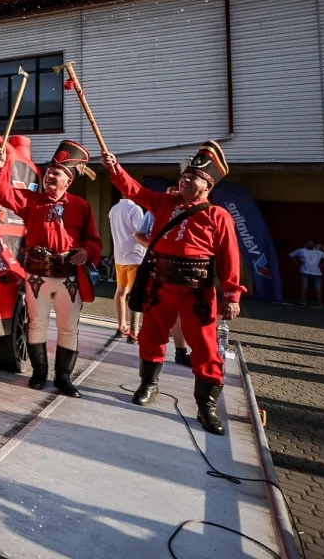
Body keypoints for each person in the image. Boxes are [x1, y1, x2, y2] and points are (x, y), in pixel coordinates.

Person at [101, 141, 244, 436]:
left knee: (205, 348)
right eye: (183, 177)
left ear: (207, 185)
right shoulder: (165, 204)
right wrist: (115, 168)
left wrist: (232, 296)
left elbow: (230, 260)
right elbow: (135, 192)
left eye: (192, 178)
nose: (184, 181)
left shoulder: (218, 216)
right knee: (151, 337)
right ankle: (148, 384)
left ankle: (206, 407)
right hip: (160, 284)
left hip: (198, 292)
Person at [0, 140, 101, 397]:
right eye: (49, 171)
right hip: (37, 274)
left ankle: (63, 377)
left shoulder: (81, 206)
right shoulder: (32, 201)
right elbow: (4, 192)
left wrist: (86, 252)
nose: (50, 175)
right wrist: (1, 166)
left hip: (68, 276)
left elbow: (94, 240)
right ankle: (39, 372)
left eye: (57, 172)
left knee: (68, 327)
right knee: (37, 324)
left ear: (68, 180)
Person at [134, 199, 192, 366]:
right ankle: (149, 373)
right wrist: (153, 247)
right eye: (170, 192)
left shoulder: (193, 212)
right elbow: (138, 234)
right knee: (154, 313)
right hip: (156, 268)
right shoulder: (155, 212)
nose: (174, 194)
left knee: (180, 314)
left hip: (184, 273)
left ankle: (181, 352)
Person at [109, 194, 147, 342]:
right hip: (135, 255)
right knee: (135, 294)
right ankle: (133, 332)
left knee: (121, 291)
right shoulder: (135, 209)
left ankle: (121, 326)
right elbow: (140, 231)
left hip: (119, 255)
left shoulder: (113, 209)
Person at [290, 240, 324, 306]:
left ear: (314, 245)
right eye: (309, 243)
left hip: (317, 273)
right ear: (306, 244)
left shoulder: (319, 252)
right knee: (304, 286)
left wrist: (322, 265)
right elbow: (291, 255)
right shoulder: (301, 250)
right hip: (305, 271)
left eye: (312, 243)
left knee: (318, 288)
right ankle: (303, 300)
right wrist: (297, 263)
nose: (310, 244)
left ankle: (319, 302)